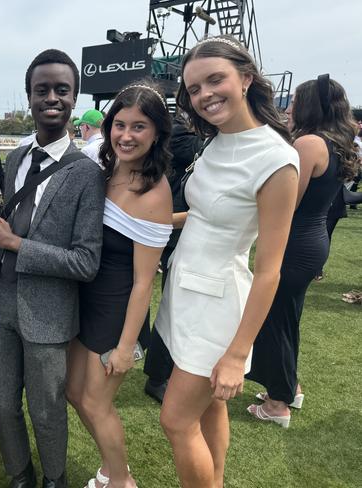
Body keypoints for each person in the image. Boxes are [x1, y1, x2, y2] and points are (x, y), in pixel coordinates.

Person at [154, 36, 299, 488]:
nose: (204, 95)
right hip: (184, 294)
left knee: (176, 421)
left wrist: (237, 355)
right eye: (194, 89)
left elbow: (270, 268)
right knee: (210, 407)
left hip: (218, 309)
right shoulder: (216, 142)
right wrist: (143, 221)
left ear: (246, 78)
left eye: (214, 80)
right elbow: (202, 216)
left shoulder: (276, 159)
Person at [0, 49, 105, 488]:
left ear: (74, 97)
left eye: (61, 90)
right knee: (3, 402)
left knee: (47, 408)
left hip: (47, 312)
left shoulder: (87, 174)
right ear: (29, 97)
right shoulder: (16, 160)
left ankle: (55, 479)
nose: (51, 97)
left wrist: (15, 242)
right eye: (41, 89)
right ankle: (20, 474)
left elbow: (86, 262)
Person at [66, 83, 173, 488]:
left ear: (157, 133)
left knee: (95, 403)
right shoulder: (105, 171)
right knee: (74, 393)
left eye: (139, 127)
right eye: (120, 124)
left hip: (116, 310)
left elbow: (145, 282)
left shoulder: (153, 191)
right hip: (86, 301)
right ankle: (113, 470)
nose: (126, 135)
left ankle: (121, 480)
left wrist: (127, 347)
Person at [246, 75, 359, 427]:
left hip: (294, 242)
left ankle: (279, 401)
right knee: (287, 317)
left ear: (311, 105)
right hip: (312, 240)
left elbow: (286, 203)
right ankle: (288, 386)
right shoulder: (336, 142)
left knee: (275, 319)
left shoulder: (309, 143)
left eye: (296, 101)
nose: (290, 106)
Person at [143, 113, 202, 403]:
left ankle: (162, 372)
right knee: (172, 307)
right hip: (176, 232)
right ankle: (158, 375)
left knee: (174, 307)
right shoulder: (187, 141)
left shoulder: (195, 142)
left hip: (181, 232)